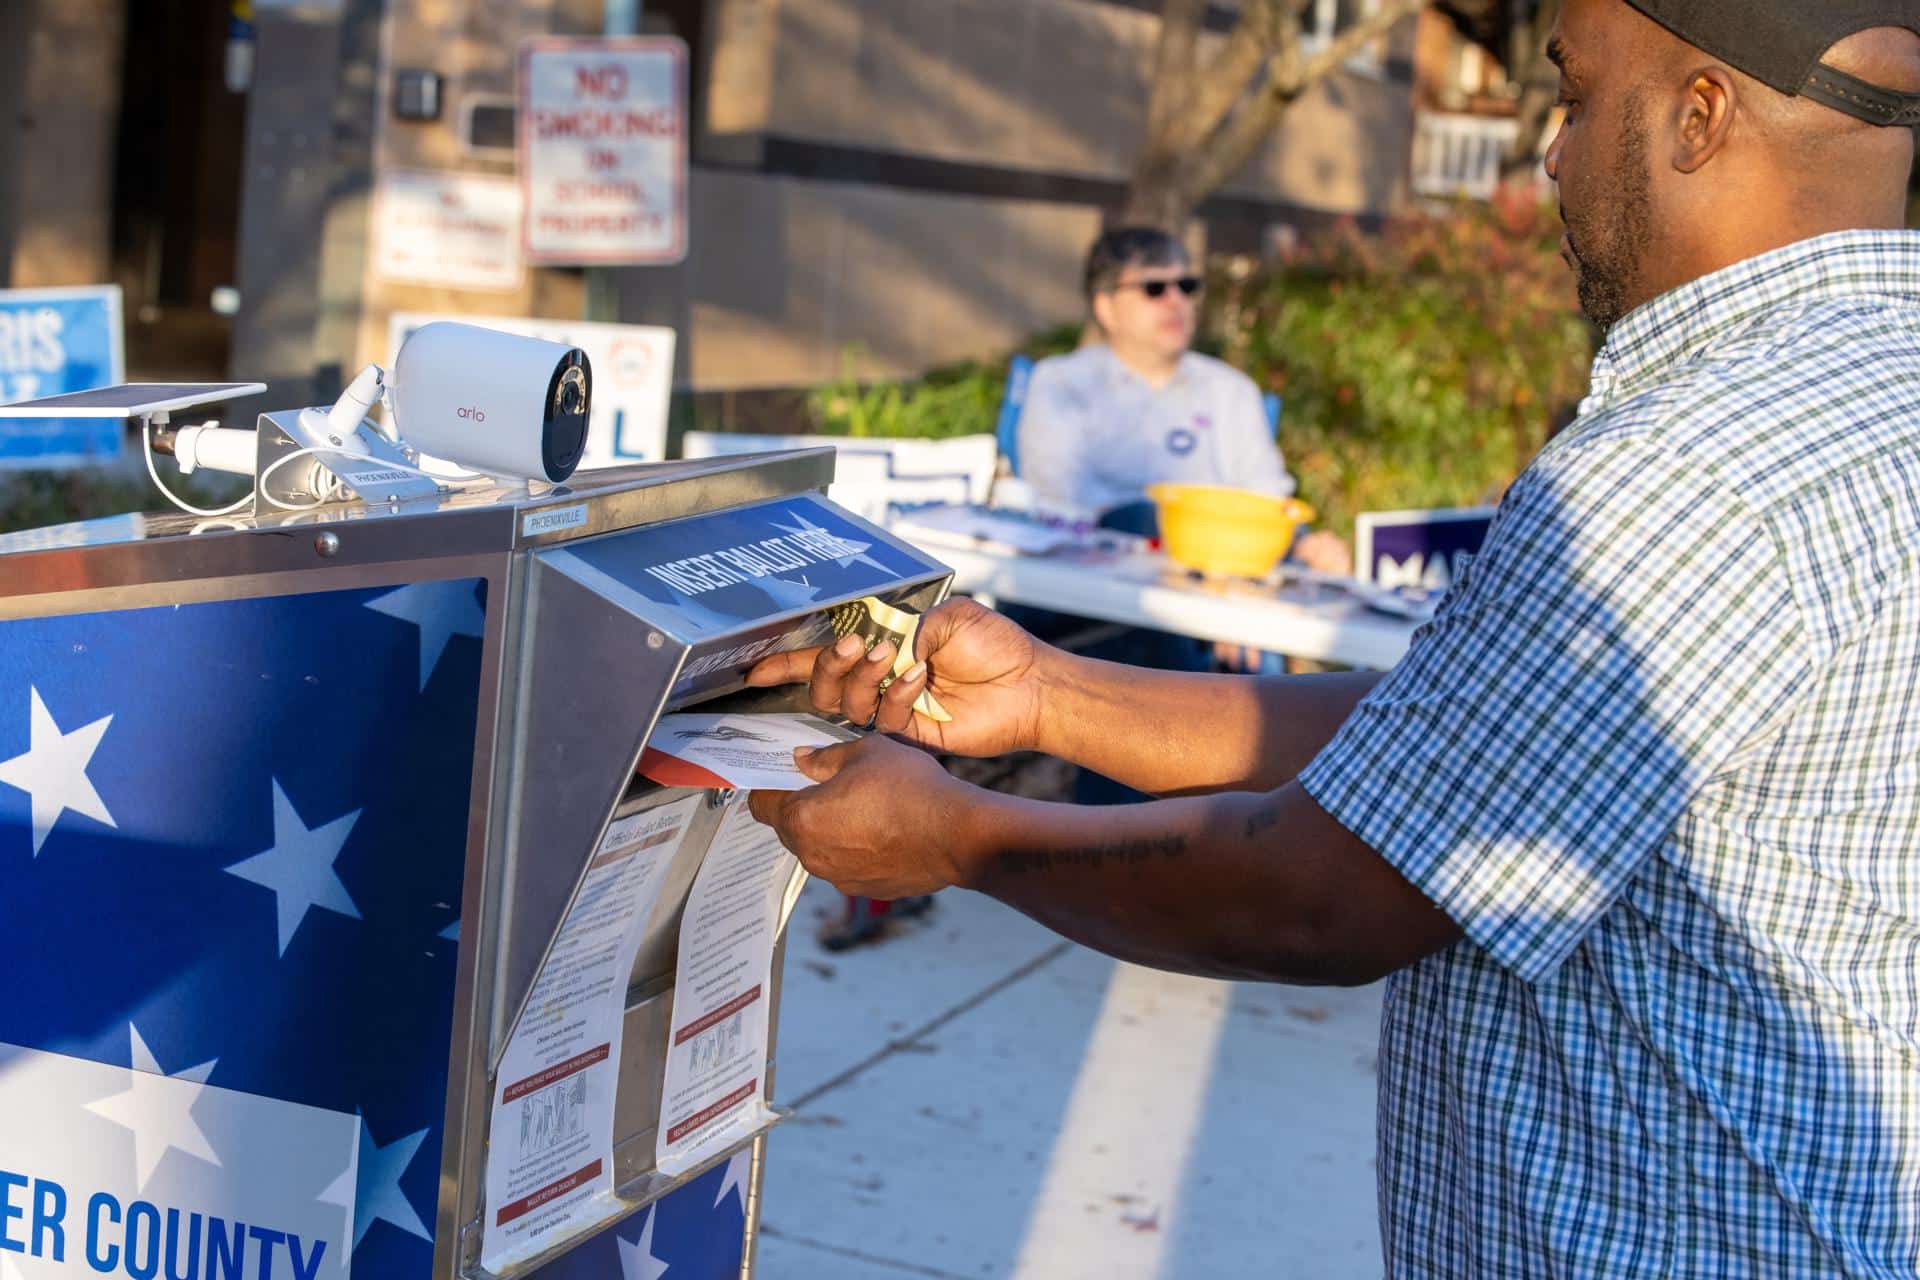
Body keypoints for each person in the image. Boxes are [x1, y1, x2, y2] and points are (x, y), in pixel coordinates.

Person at [746, 2, 1920, 1273]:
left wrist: (951, 832)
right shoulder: (1870, 391)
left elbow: (1325, 893)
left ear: (1699, 117)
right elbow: (1461, 746)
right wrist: (1045, 693)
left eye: (1574, 98)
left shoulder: (1685, 465)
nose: (1552, 154)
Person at [1018, 225, 1351, 574]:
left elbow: (1268, 500)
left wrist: (1305, 545)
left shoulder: (1231, 390)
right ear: (1106, 308)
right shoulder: (1063, 383)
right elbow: (1061, 504)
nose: (1176, 301)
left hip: (1220, 582)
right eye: (1154, 288)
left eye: (1187, 287)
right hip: (1094, 584)